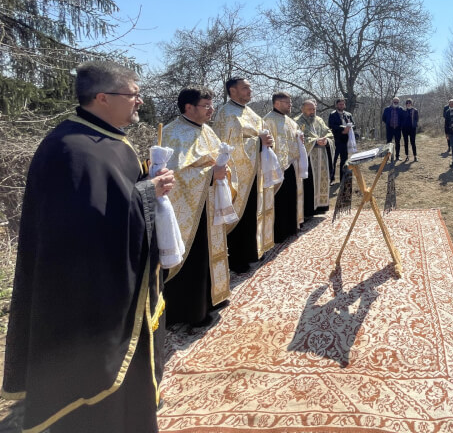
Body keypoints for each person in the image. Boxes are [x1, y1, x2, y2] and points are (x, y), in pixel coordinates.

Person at [2, 61, 174, 433]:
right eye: (132, 94)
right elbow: (91, 225)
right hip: (87, 295)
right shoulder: (71, 149)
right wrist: (149, 192)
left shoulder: (108, 139)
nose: (140, 101)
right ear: (102, 97)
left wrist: (147, 184)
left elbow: (117, 197)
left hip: (118, 282)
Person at [162, 87, 234, 327]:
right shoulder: (172, 133)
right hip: (188, 209)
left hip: (210, 202)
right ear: (188, 107)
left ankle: (213, 297)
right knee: (195, 255)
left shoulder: (207, 130)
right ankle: (192, 311)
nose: (211, 110)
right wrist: (210, 174)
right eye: (206, 105)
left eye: (212, 105)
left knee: (212, 251)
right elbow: (174, 174)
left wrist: (223, 168)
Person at [212, 77, 275, 273]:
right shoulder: (226, 113)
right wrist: (258, 142)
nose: (250, 91)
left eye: (250, 88)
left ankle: (252, 251)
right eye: (245, 88)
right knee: (239, 214)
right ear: (233, 90)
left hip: (254, 170)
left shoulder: (250, 112)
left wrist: (267, 140)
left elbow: (261, 133)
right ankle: (237, 260)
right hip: (237, 173)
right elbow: (229, 145)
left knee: (252, 211)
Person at [264, 91, 305, 243]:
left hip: (291, 164)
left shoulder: (291, 121)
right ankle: (279, 233)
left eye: (290, 102)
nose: (290, 105)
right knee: (279, 201)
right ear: (277, 103)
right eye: (287, 103)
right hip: (277, 167)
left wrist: (300, 138)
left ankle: (291, 228)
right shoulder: (268, 120)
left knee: (291, 198)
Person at [295, 99, 334, 217]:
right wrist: (315, 141)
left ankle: (321, 206)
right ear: (302, 109)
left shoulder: (319, 120)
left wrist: (326, 140)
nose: (312, 111)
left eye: (314, 109)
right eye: (309, 109)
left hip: (322, 157)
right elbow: (297, 139)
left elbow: (329, 133)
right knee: (309, 183)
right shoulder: (296, 122)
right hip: (308, 158)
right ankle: (308, 210)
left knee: (321, 180)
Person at [328, 98, 354, 182]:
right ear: (336, 105)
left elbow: (354, 124)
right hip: (336, 140)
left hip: (345, 140)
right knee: (333, 159)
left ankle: (343, 178)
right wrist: (343, 129)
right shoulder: (332, 114)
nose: (341, 106)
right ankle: (331, 179)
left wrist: (349, 128)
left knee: (344, 160)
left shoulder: (348, 114)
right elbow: (332, 126)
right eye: (340, 104)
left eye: (343, 104)